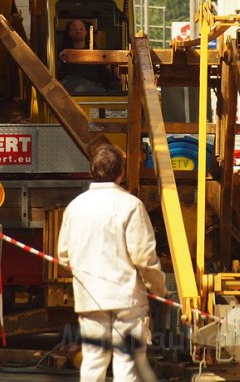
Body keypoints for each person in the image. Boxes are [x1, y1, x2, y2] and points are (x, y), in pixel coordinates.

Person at [57, 143, 167, 381]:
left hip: (90, 299)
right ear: (122, 173)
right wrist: (159, 289)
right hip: (126, 299)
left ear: (91, 171)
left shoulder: (75, 207)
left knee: (93, 363)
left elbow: (64, 254)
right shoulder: (130, 205)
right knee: (128, 366)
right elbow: (143, 257)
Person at [59, 19, 119, 95]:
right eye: (75, 29)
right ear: (70, 33)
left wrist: (118, 72)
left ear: (86, 32)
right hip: (71, 91)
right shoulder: (63, 53)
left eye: (81, 29)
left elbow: (107, 65)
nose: (78, 31)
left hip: (94, 88)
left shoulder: (96, 52)